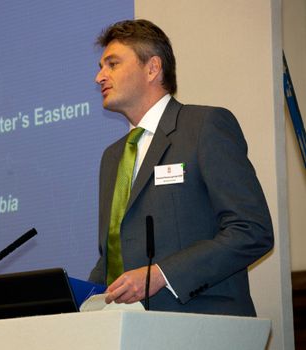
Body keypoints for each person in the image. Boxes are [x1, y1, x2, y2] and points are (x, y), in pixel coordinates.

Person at [88, 19, 274, 316]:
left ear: (152, 68)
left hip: (201, 323)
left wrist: (162, 275)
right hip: (129, 331)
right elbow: (112, 257)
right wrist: (82, 303)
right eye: (101, 66)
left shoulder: (204, 127)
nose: (99, 77)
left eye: (112, 64)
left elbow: (251, 231)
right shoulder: (112, 157)